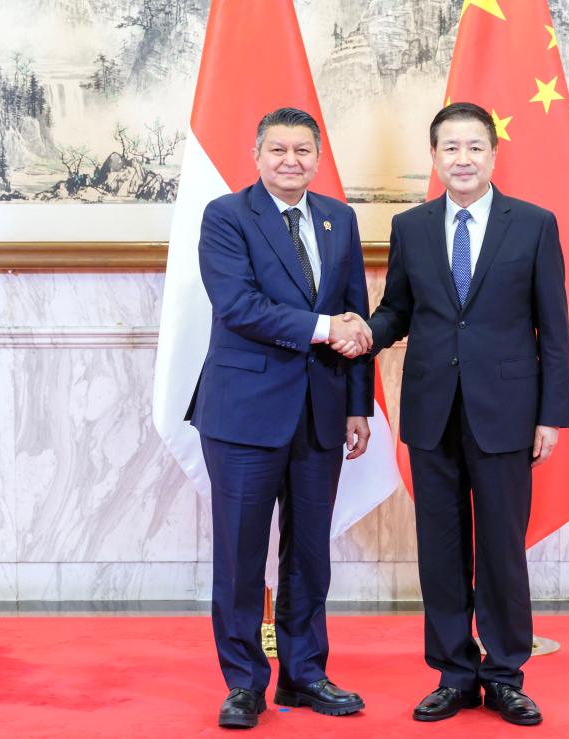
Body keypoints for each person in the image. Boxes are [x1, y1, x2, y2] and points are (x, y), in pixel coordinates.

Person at [345, 101, 569, 726]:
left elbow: (553, 327)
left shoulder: (534, 224)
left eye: (475, 147)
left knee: (502, 549)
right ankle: (453, 675)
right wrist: (364, 333)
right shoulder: (412, 227)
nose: (463, 158)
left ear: (493, 155)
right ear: (435, 157)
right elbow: (398, 310)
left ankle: (504, 676)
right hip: (432, 411)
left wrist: (550, 415)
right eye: (451, 147)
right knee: (441, 551)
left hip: (507, 412)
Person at [186, 107, 374, 729]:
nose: (290, 160)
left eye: (302, 150)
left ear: (318, 158)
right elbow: (238, 306)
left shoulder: (339, 219)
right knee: (241, 554)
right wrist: (324, 328)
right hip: (244, 414)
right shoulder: (226, 216)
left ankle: (305, 674)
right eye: (278, 150)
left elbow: (355, 317)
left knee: (310, 554)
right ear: (257, 155)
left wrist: (357, 404)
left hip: (321, 413)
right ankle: (244, 684)